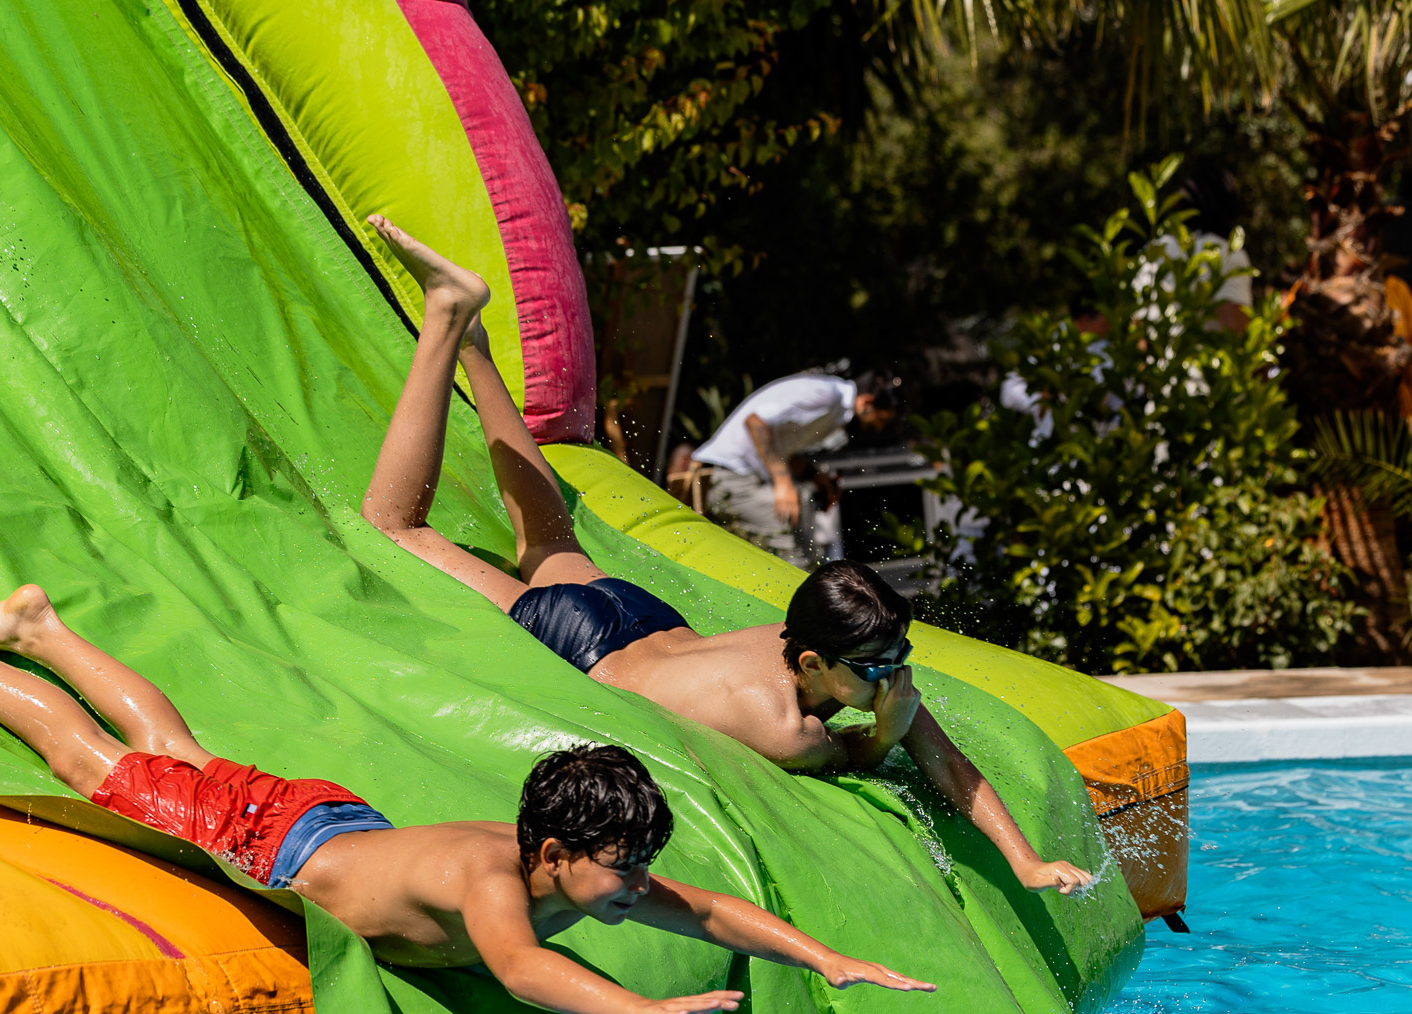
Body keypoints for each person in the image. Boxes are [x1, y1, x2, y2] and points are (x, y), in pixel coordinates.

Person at [0, 588, 934, 1014]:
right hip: (277, 840)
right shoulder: (501, 888)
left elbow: (713, 911)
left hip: (336, 824)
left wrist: (828, 957)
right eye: (620, 868)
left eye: (635, 866)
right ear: (552, 852)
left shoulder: (584, 869)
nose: (637, 886)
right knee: (96, 757)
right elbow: (527, 973)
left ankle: (43, 625)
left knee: (175, 748)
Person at [357, 215, 1094, 896]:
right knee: (396, 526)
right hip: (589, 640)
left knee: (549, 538)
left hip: (635, 620)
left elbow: (949, 767)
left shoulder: (835, 658)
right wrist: (884, 736)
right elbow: (874, 755)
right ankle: (447, 321)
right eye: (875, 667)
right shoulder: (791, 731)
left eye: (897, 654)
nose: (894, 673)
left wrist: (1024, 862)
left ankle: (477, 347)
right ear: (811, 664)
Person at [690, 370, 904, 568]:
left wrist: (814, 476)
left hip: (742, 478)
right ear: (867, 402)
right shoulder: (826, 395)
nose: (877, 428)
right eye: (881, 420)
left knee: (805, 551)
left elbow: (780, 448)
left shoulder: (835, 408)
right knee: (793, 555)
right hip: (724, 476)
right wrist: (784, 483)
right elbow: (755, 423)